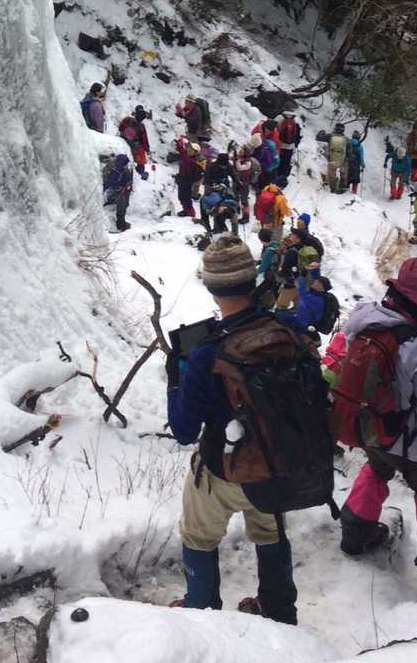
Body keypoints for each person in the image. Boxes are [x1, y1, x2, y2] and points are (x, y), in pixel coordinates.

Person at [167, 237, 300, 623]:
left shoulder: (207, 353)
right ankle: (279, 611)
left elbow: (184, 431)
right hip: (277, 464)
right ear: (250, 279)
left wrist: (176, 380)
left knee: (197, 535)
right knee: (271, 533)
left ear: (211, 287)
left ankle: (202, 609)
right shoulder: (287, 330)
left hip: (224, 469)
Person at [337, 258, 417, 574]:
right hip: (407, 437)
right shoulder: (415, 345)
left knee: (377, 469)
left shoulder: (362, 321)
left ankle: (354, 533)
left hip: (367, 425)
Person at [102, 154, 133, 232]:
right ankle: (121, 225)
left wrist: (127, 186)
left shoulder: (125, 170)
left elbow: (129, 180)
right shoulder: (113, 172)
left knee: (125, 205)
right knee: (121, 206)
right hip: (117, 192)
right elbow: (107, 183)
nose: (125, 165)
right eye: (124, 163)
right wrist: (101, 192)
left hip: (125, 191)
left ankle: (122, 222)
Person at [174, 137, 204, 218]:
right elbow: (183, 154)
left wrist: (180, 146)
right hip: (182, 180)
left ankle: (191, 213)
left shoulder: (192, 161)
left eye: (191, 149)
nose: (189, 150)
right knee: (181, 197)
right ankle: (186, 210)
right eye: (189, 148)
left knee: (185, 198)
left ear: (195, 152)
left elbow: (183, 156)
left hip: (187, 181)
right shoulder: (188, 158)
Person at [119, 105, 151, 177]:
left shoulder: (127, 119)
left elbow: (120, 128)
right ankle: (139, 175)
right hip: (136, 148)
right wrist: (147, 149)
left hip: (124, 142)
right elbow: (144, 139)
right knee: (140, 163)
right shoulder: (141, 126)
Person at [234, 146, 261, 223]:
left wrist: (236, 160)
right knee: (235, 196)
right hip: (236, 181)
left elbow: (240, 168)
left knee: (244, 200)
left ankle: (246, 217)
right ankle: (237, 208)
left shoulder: (248, 162)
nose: (240, 151)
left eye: (242, 150)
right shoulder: (239, 159)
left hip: (244, 184)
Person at [276, 112, 301, 180]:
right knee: (286, 162)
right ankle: (283, 178)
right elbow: (299, 133)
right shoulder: (296, 119)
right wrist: (296, 143)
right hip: (291, 146)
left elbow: (275, 130)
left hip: (280, 145)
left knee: (279, 161)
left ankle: (276, 177)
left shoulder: (279, 117)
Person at [326, 123, 348, 193]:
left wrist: (322, 133)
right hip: (342, 159)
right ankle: (342, 187)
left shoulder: (330, 136)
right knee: (343, 173)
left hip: (332, 158)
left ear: (335, 129)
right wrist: (347, 158)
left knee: (331, 173)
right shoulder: (346, 139)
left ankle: (333, 188)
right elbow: (349, 150)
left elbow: (319, 137)